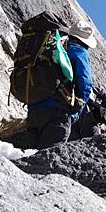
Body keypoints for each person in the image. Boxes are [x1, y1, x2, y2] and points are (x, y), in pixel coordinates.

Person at [26, 20, 96, 149]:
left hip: (34, 106)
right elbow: (85, 84)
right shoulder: (79, 51)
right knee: (47, 157)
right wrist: (75, 113)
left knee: (29, 154)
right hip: (57, 111)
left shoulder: (52, 45)